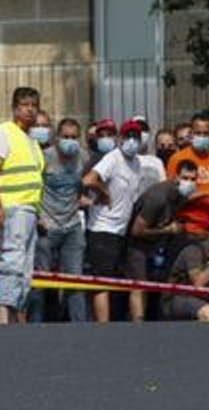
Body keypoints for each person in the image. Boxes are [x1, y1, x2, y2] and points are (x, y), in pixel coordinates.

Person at [0, 87, 46, 325]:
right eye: (25, 105)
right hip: (13, 208)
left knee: (25, 268)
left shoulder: (32, 141)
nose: (30, 110)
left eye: (34, 105)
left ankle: (18, 315)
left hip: (29, 210)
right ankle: (3, 315)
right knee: (12, 260)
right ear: (14, 108)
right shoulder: (4, 132)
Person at [80, 118, 151, 322]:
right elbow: (88, 180)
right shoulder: (113, 158)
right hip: (103, 229)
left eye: (135, 137)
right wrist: (103, 193)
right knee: (102, 282)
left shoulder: (137, 163)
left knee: (122, 280)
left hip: (121, 230)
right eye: (128, 136)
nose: (132, 140)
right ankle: (103, 326)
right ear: (120, 138)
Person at [32, 116, 88, 321]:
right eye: (65, 137)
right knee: (41, 280)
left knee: (75, 279)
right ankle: (35, 324)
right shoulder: (44, 157)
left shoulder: (83, 157)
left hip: (72, 225)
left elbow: (86, 183)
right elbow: (33, 187)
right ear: (56, 137)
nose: (70, 141)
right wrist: (37, 216)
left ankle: (79, 325)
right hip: (47, 225)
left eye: (74, 137)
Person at [129, 159, 197, 284]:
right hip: (136, 245)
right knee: (140, 286)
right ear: (176, 177)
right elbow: (136, 231)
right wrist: (167, 230)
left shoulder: (181, 194)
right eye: (185, 178)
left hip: (156, 244)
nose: (189, 182)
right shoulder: (158, 197)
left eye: (193, 179)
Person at [166, 111, 209, 240]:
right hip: (185, 228)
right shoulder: (177, 158)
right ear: (191, 134)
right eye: (198, 133)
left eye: (206, 134)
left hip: (208, 226)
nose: (202, 137)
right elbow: (172, 197)